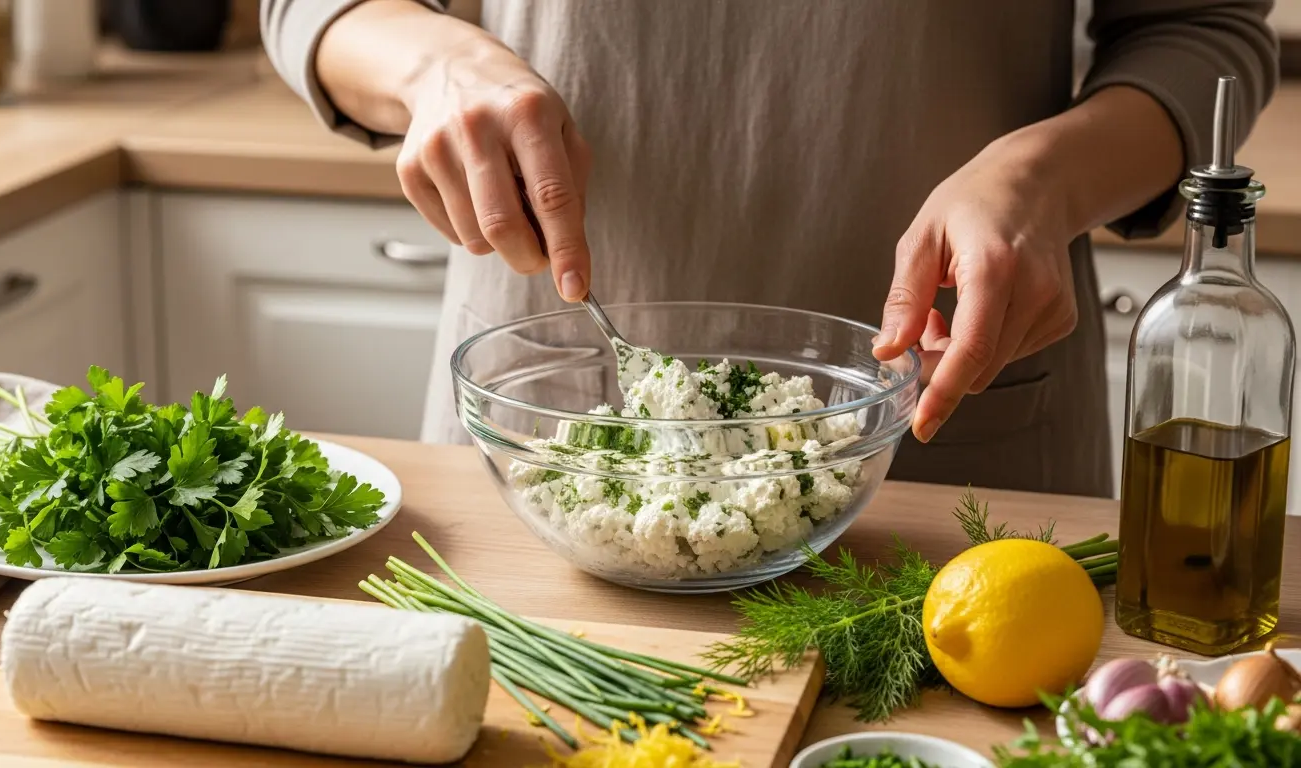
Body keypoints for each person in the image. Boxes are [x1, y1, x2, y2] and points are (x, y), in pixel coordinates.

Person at [261, 0, 1277, 497]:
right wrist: (430, 63)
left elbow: (1200, 29)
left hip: (946, 427)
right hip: (544, 423)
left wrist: (1038, 184)